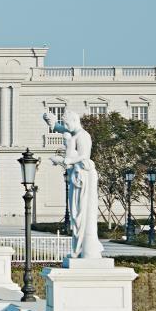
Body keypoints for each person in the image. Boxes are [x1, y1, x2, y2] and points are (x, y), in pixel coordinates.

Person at [44, 111, 103, 259]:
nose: (65, 126)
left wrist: (65, 161)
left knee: (80, 213)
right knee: (76, 214)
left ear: (74, 120)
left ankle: (83, 248)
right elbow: (61, 129)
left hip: (82, 177)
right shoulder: (74, 133)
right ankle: (77, 248)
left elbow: (84, 155)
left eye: (66, 123)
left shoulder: (82, 135)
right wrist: (52, 123)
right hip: (77, 176)